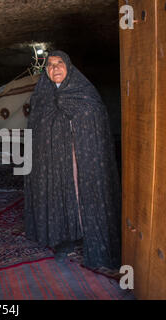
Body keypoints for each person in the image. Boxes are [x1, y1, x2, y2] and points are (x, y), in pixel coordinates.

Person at [24, 50, 121, 269]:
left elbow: (94, 119)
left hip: (82, 161)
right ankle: (63, 238)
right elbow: (36, 131)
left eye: (59, 63)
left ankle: (91, 237)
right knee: (58, 195)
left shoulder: (85, 93)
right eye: (49, 65)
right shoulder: (41, 98)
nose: (55, 68)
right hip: (53, 164)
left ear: (69, 67)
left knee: (82, 196)